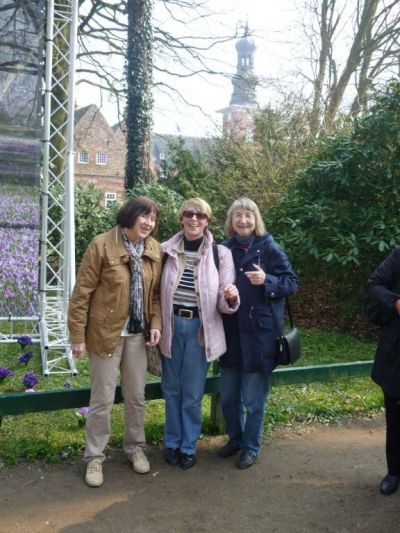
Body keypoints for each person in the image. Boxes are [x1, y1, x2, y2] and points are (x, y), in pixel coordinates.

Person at [67, 196, 162, 487]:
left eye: (153, 218)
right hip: (104, 335)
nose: (148, 223)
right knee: (102, 399)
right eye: (143, 216)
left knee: (136, 396)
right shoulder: (102, 244)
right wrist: (77, 336)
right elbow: (81, 293)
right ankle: (94, 458)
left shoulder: (154, 249)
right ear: (129, 216)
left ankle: (135, 447)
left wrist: (155, 324)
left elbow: (155, 295)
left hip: (137, 336)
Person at [218, 198, 298, 469]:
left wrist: (268, 281)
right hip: (229, 335)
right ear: (231, 220)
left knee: (253, 399)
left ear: (256, 220)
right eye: (238, 215)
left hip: (259, 335)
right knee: (228, 396)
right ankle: (236, 438)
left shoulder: (268, 247)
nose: (243, 221)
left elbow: (291, 282)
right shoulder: (223, 249)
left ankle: (251, 446)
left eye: (248, 216)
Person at [159, 198, 239, 469]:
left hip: (199, 329)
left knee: (192, 392)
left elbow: (223, 297)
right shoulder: (164, 250)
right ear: (181, 218)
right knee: (171, 390)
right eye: (189, 214)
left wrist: (230, 297)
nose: (194, 219)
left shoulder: (221, 254)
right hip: (171, 326)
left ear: (207, 221)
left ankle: (188, 446)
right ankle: (171, 443)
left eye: (201, 216)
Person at [366, 247, 400, 495]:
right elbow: (375, 284)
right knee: (396, 418)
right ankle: (395, 472)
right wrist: (396, 302)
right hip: (396, 351)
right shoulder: (399, 255)